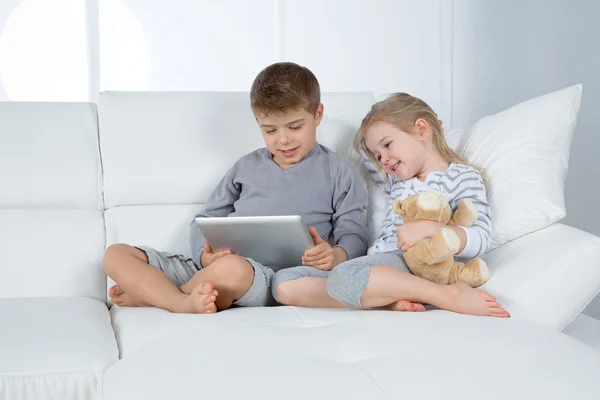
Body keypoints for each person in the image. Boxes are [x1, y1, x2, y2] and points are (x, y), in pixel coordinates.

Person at [103, 62, 369, 314]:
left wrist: (335, 255)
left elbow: (355, 235)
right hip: (213, 268)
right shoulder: (245, 167)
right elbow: (204, 220)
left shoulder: (338, 171)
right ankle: (177, 296)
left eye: (295, 126)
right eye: (270, 130)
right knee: (115, 254)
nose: (283, 139)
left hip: (263, 278)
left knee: (232, 270)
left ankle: (166, 298)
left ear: (318, 114)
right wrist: (204, 256)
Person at [274, 93, 510, 318]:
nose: (384, 159)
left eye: (387, 145)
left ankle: (446, 295)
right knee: (284, 283)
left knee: (344, 276)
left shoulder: (462, 176)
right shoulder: (396, 182)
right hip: (380, 263)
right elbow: (361, 151)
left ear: (421, 129)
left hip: (417, 263)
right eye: (378, 156)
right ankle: (386, 298)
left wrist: (429, 229)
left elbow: (480, 238)